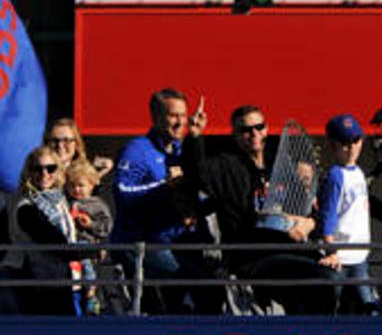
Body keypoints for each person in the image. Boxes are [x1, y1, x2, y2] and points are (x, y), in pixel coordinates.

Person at [181, 102, 335, 315]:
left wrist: (310, 223)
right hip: (252, 255)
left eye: (259, 127)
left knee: (333, 276)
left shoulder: (280, 165)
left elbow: (307, 207)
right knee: (318, 278)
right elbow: (196, 173)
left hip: (287, 247)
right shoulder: (227, 165)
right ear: (235, 135)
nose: (254, 134)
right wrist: (195, 137)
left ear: (267, 128)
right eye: (245, 130)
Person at [111, 88, 220, 314]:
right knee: (197, 287)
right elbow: (123, 192)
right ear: (156, 117)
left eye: (183, 115)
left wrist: (197, 136)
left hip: (180, 242)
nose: (180, 122)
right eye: (173, 115)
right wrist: (164, 187)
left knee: (198, 298)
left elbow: (201, 189)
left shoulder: (183, 150)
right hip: (142, 244)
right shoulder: (137, 150)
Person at [4, 146, 84, 315]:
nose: (44, 174)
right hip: (36, 283)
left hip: (61, 279)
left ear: (59, 171)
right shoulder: (26, 207)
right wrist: (89, 252)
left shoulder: (60, 200)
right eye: (37, 169)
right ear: (29, 172)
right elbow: (53, 240)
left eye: (51, 168)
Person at [317, 113, 378, 315]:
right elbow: (329, 212)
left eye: (355, 140)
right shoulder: (335, 175)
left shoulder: (358, 172)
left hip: (359, 254)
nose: (352, 148)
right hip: (339, 256)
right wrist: (330, 249)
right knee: (330, 306)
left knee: (367, 304)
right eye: (344, 143)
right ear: (334, 146)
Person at [64, 159, 113, 315]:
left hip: (87, 245)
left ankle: (91, 292)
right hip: (70, 246)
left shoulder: (96, 204)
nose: (76, 189)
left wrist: (90, 224)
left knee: (86, 261)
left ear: (92, 185)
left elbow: (106, 227)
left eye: (81, 185)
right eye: (72, 186)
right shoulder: (65, 202)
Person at [44, 118, 113, 178]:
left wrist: (93, 180)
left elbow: (107, 164)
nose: (60, 145)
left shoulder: (83, 171)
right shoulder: (38, 172)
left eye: (66, 140)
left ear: (76, 143)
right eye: (55, 140)